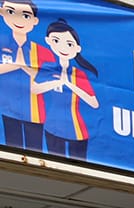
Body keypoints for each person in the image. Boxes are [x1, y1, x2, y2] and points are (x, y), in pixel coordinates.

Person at [36, 19, 94, 160]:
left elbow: (93, 102)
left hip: (77, 130)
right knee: (53, 168)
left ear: (77, 48)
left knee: (80, 171)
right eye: (56, 41)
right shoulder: (48, 68)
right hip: (52, 127)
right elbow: (34, 88)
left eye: (69, 44)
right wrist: (55, 82)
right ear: (48, 41)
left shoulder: (78, 74)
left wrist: (70, 85)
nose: (63, 47)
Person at [0, 1, 51, 151]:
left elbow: (48, 80)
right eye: (10, 12)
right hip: (6, 107)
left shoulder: (42, 52)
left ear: (35, 21)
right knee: (10, 152)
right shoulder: (2, 43)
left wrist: (25, 67)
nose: (18, 20)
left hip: (35, 113)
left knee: (36, 152)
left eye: (26, 15)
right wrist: (17, 64)